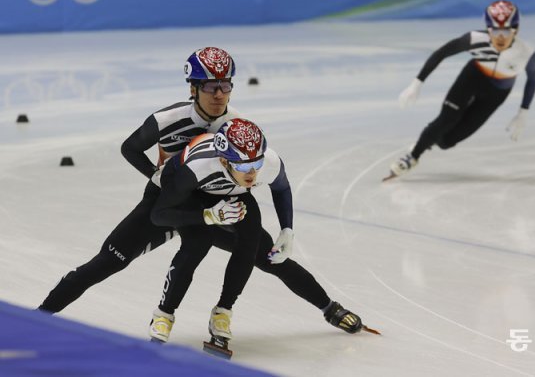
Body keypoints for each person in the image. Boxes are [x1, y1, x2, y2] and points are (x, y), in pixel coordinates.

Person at [38, 47, 241, 313]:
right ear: (193, 88)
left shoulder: (236, 124)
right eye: (210, 86)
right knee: (108, 261)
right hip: (163, 203)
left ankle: (314, 306)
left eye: (225, 86)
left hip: (210, 206)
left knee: (264, 254)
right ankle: (41, 316)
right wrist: (157, 177)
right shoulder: (166, 119)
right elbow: (130, 148)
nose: (219, 94)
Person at [147, 118, 368, 352]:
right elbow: (160, 215)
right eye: (243, 166)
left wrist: (287, 229)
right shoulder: (197, 167)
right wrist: (209, 216)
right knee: (196, 245)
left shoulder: (269, 162)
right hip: (191, 200)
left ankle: (225, 312)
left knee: (265, 254)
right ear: (224, 160)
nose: (252, 173)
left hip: (233, 196)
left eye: (256, 163)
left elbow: (281, 188)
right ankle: (163, 314)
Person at [388, 0, 535, 178]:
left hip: (495, 95)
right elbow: (442, 52)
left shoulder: (526, 54)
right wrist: (417, 82)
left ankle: (428, 140)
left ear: (516, 30)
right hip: (472, 78)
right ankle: (412, 156)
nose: (500, 37)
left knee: (446, 142)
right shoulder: (474, 39)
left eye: (505, 31)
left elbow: (532, 79)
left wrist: (523, 111)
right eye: (494, 30)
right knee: (446, 119)